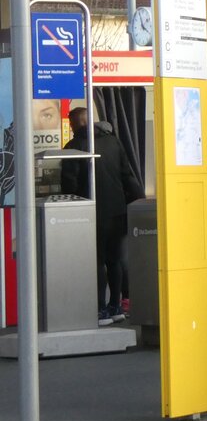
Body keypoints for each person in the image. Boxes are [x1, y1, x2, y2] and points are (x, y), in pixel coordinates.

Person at [59, 107, 144, 326]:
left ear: (74, 124)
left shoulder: (73, 148)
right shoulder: (113, 142)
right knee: (114, 260)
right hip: (117, 211)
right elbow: (127, 175)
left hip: (91, 213)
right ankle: (115, 306)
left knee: (95, 261)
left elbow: (70, 185)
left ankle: (99, 309)